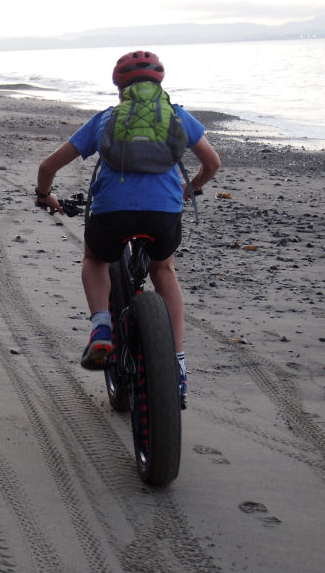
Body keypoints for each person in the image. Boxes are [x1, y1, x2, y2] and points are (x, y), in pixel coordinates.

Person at [35, 50, 220, 405]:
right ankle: (178, 366)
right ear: (159, 83)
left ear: (119, 87)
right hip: (163, 214)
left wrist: (45, 195)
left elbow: (49, 166)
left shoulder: (106, 119)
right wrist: (189, 189)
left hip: (111, 214)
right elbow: (212, 163)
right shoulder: (178, 116)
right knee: (164, 270)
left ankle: (101, 327)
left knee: (95, 259)